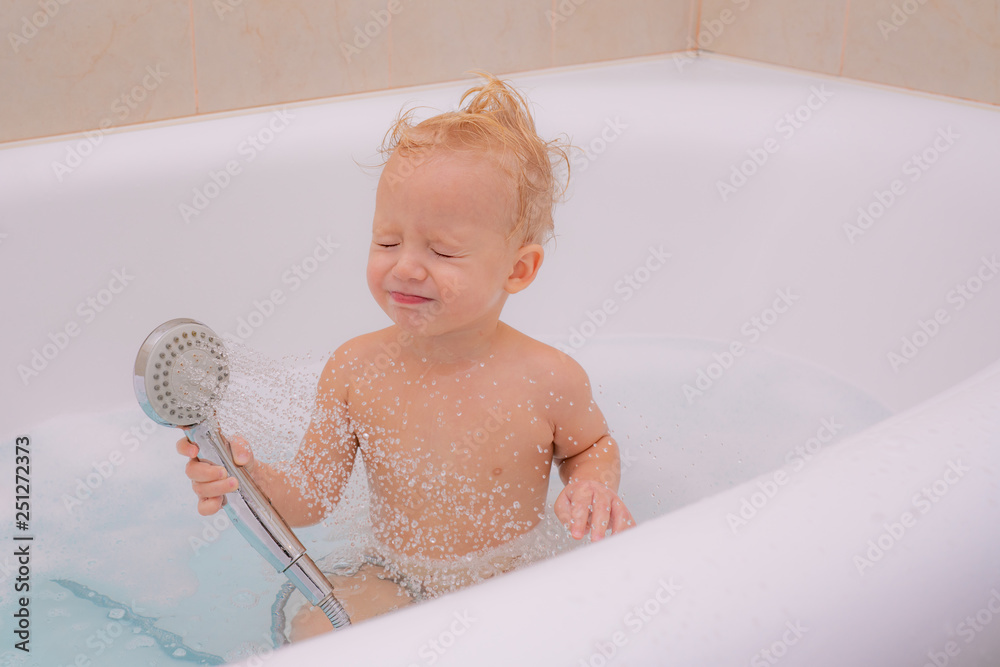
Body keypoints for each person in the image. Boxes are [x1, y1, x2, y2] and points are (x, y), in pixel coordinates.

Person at [177, 72, 635, 640]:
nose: (406, 267)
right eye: (387, 241)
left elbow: (591, 446)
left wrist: (592, 483)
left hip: (513, 578)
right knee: (316, 630)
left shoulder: (546, 376)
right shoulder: (354, 370)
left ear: (518, 270)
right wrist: (246, 480)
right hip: (396, 574)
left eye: (442, 250)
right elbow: (313, 497)